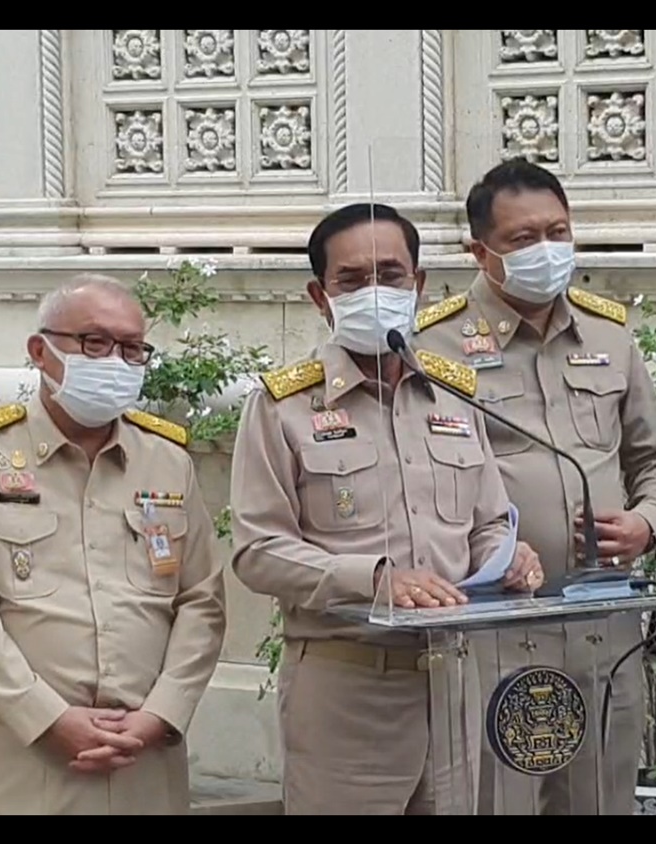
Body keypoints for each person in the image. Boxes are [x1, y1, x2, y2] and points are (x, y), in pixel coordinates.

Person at [230, 202, 543, 815]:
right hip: (348, 686)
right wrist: (374, 579)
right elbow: (257, 551)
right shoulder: (282, 407)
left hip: (453, 683)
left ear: (418, 285)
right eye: (351, 280)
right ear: (321, 297)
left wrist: (509, 557)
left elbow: (486, 522)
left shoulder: (454, 394)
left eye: (391, 275)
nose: (374, 291)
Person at [413, 159, 656, 815]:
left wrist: (648, 522)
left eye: (558, 232)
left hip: (601, 623)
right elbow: (413, 484)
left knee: (600, 799)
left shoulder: (608, 333)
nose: (546, 249)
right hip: (493, 629)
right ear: (480, 251)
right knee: (499, 800)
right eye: (523, 238)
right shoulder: (431, 345)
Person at [0, 273, 226, 815]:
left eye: (131, 348)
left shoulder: (167, 460)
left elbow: (201, 600)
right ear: (41, 351)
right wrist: (48, 717)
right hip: (25, 753)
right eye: (95, 343)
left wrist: (161, 713)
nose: (115, 362)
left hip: (143, 757)